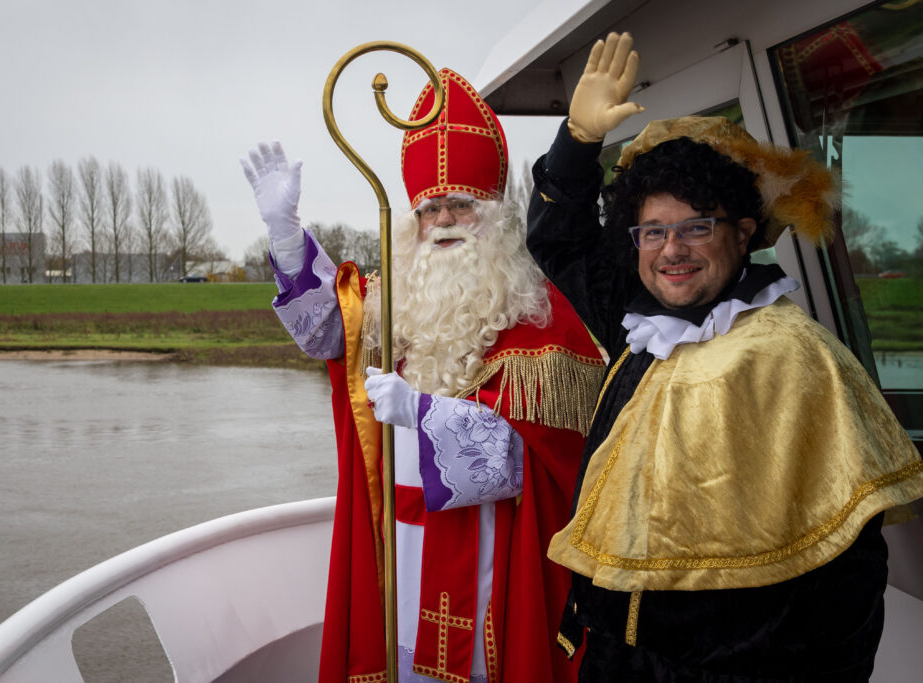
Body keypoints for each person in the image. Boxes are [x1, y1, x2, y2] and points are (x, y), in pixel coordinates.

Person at [527, 32, 923, 682]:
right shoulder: (642, 322)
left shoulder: (794, 355)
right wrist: (575, 141)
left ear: (743, 236)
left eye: (696, 227)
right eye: (653, 230)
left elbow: (851, 579)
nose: (671, 249)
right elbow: (560, 240)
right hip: (613, 661)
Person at [242, 69, 605, 683]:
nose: (443, 221)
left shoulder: (541, 317)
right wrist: (285, 238)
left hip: (494, 566)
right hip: (401, 555)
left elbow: (547, 464)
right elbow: (331, 333)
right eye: (429, 208)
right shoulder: (400, 301)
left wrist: (425, 415)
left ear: (495, 216)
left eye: (461, 204)